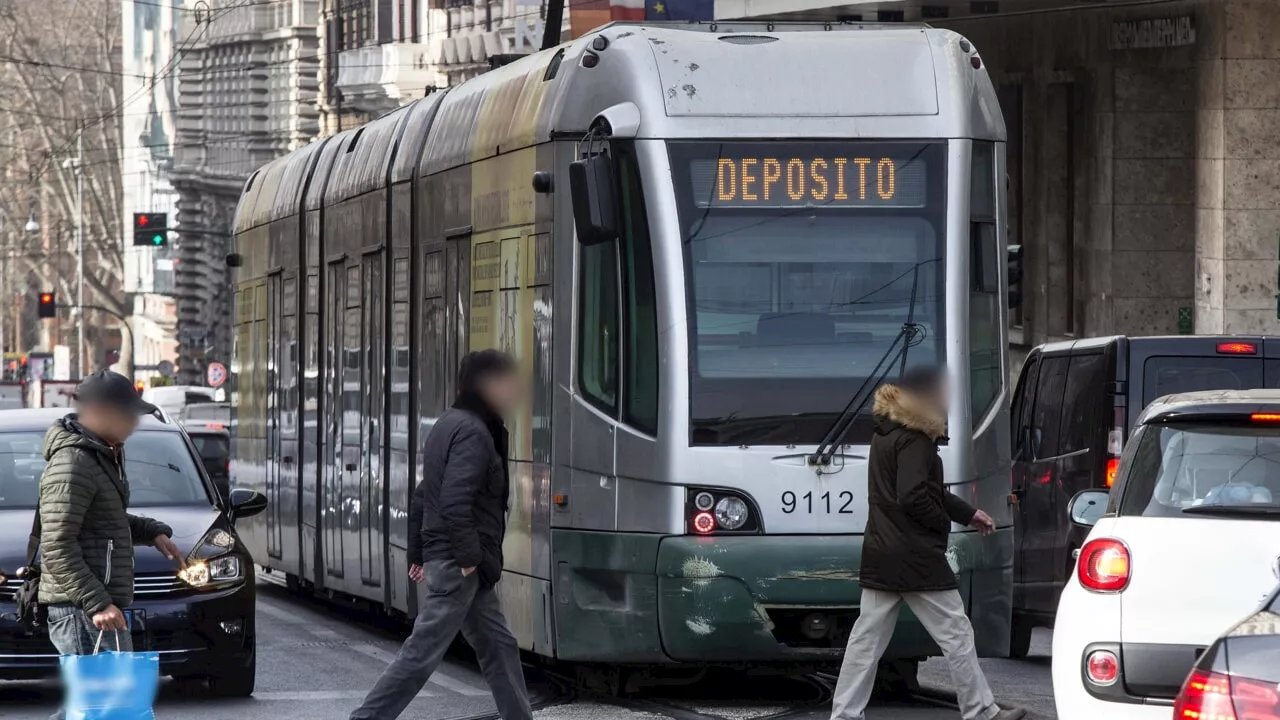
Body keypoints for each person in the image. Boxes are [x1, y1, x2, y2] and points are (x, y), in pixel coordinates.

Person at [830, 366, 1024, 720]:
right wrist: (940, 524)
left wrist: (967, 513)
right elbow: (915, 496)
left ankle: (844, 714)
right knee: (957, 634)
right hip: (915, 557)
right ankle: (981, 711)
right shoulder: (916, 439)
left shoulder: (886, 434)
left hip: (882, 552)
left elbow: (921, 490)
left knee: (865, 642)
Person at [351, 349, 532, 720]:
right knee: (422, 652)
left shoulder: (450, 423)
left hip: (460, 561)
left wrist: (418, 552)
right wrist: (468, 559)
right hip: (459, 562)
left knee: (499, 646)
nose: (513, 391)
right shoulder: (474, 433)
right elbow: (451, 501)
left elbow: (423, 494)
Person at [35, 371, 185, 720]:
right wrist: (97, 603)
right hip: (82, 608)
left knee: (97, 708)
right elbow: (56, 545)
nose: (134, 423)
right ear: (102, 412)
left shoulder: (100, 456)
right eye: (129, 414)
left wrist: (151, 531)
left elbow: (105, 521)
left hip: (89, 605)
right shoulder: (74, 462)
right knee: (102, 708)